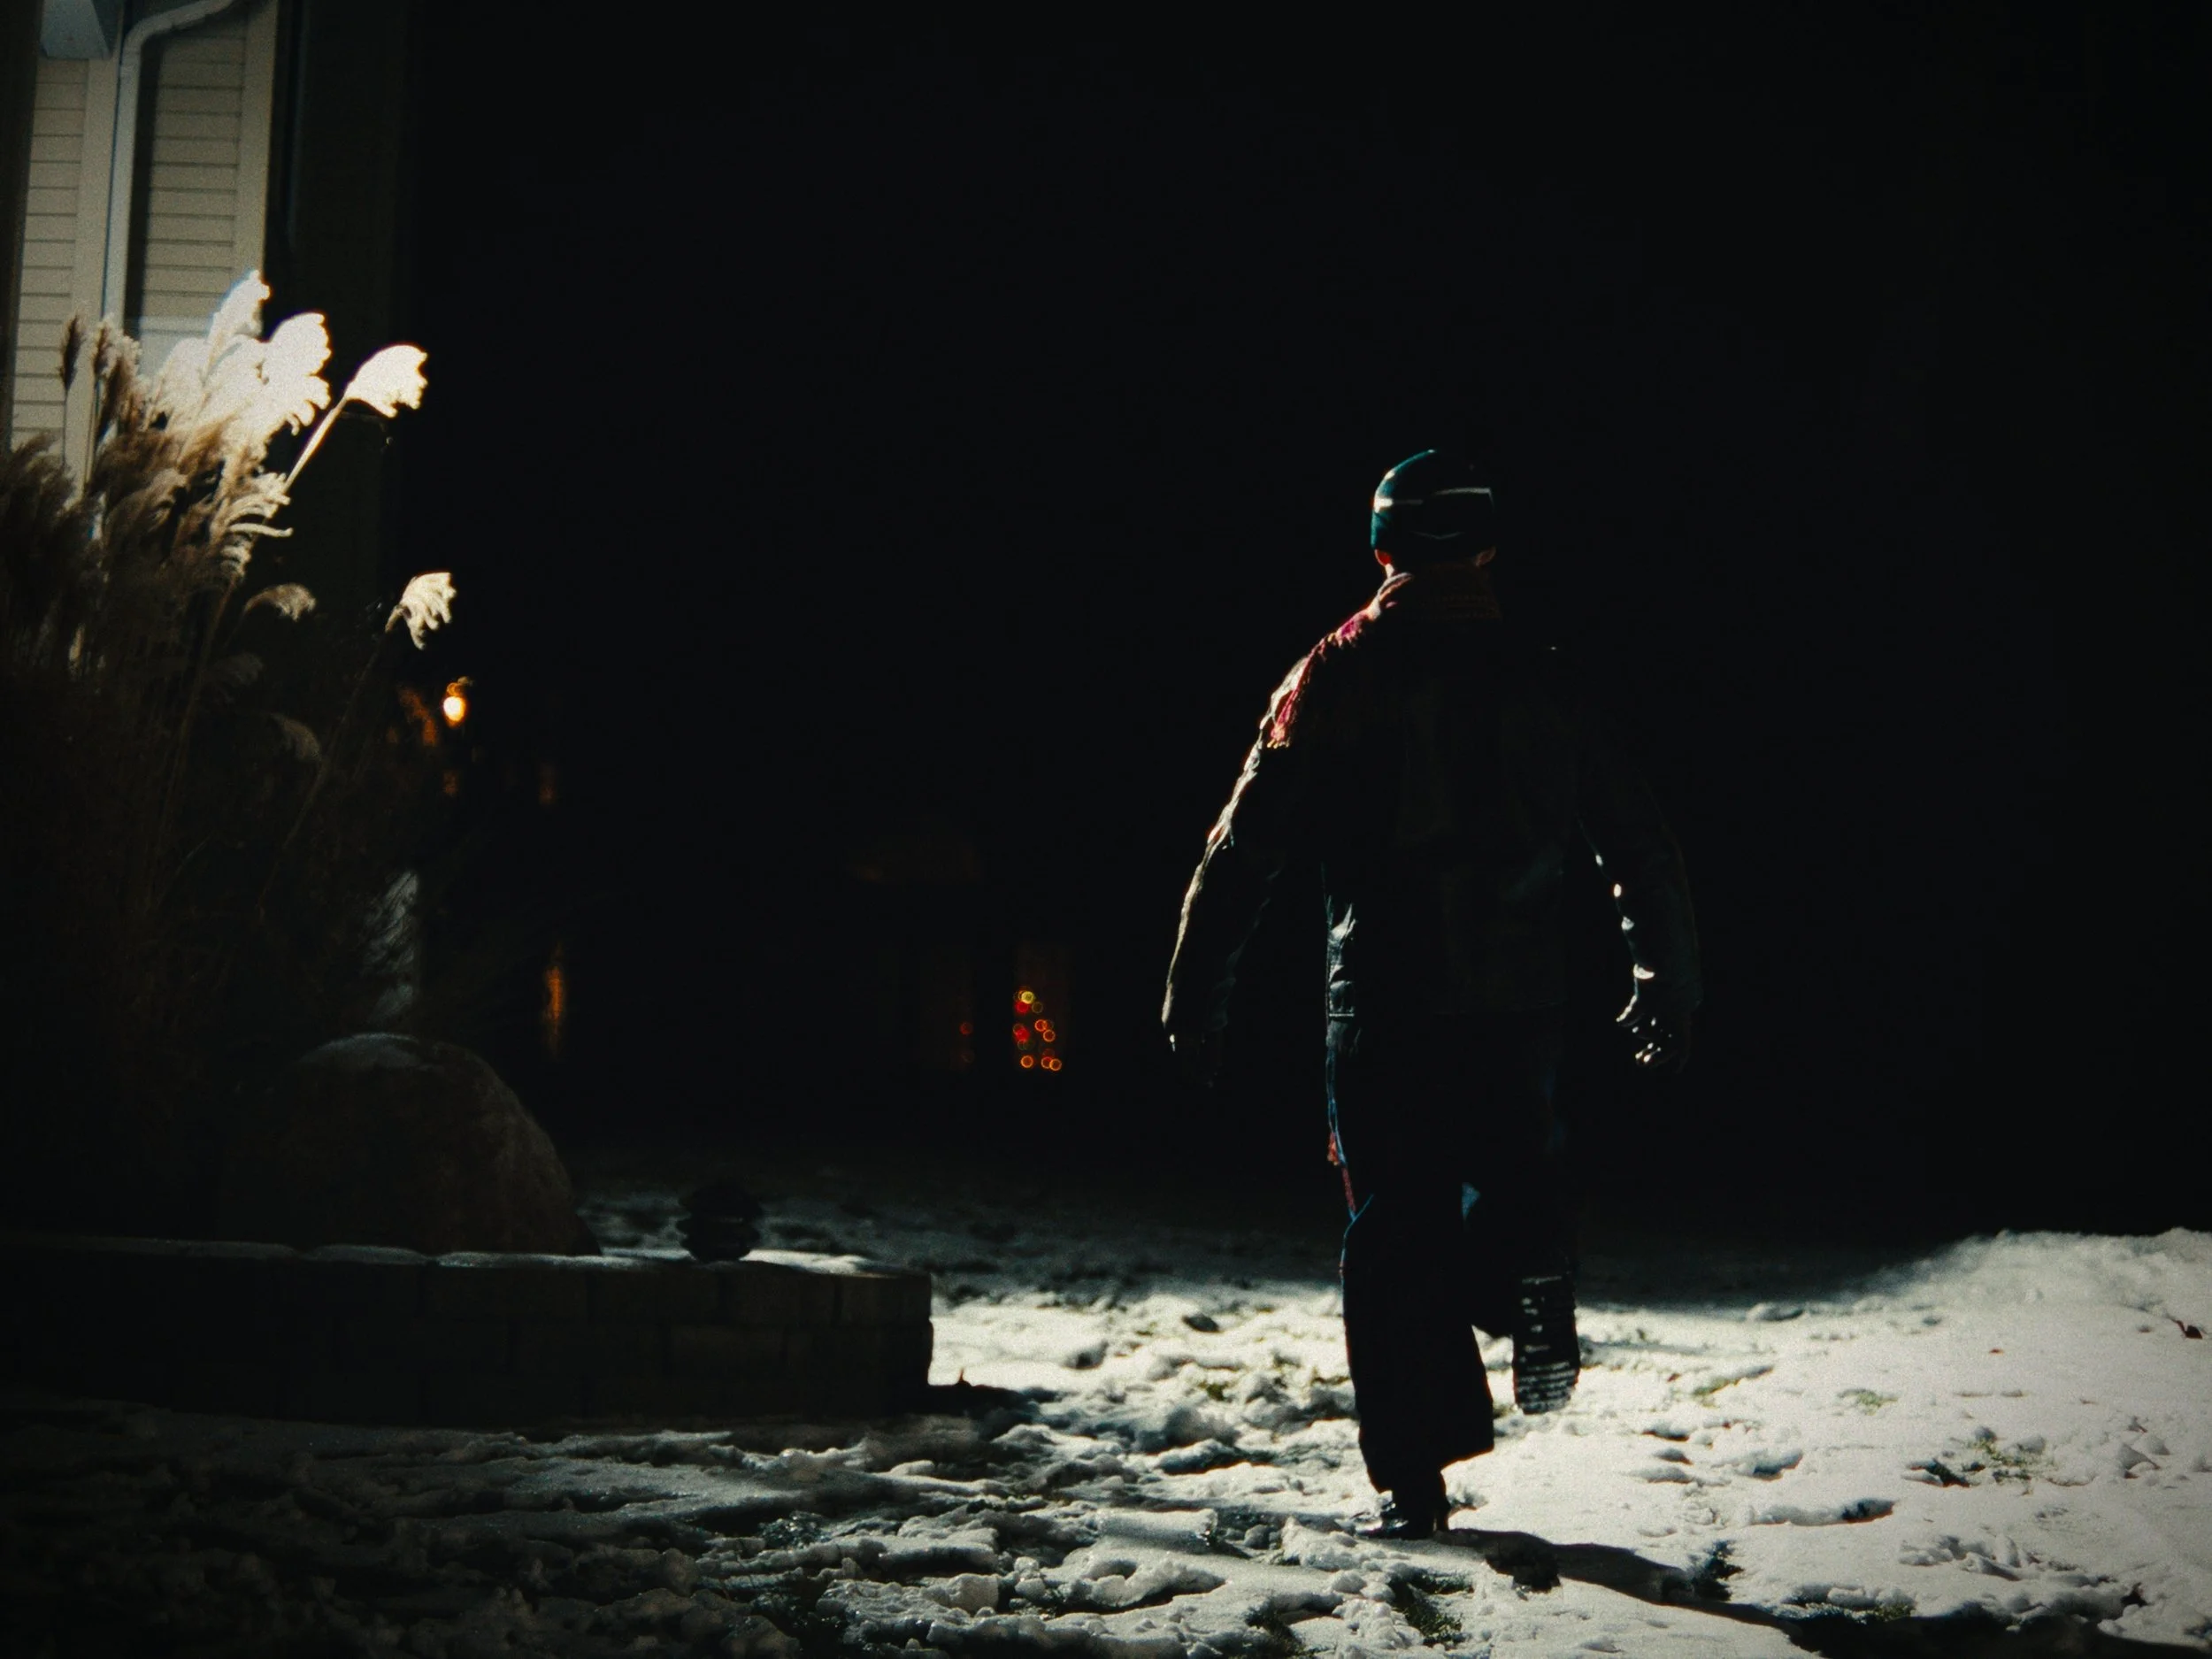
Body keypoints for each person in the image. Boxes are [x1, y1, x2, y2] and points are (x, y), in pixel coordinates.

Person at [1160, 450, 1701, 1540]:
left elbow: (1243, 847)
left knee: (1392, 1229)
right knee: (1509, 1179)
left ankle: (1416, 1484)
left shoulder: (1337, 672)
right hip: (1520, 1003)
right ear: (1491, 550)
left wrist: (1194, 990)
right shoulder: (1549, 677)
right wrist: (1664, 978)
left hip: (1383, 1004)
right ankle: (1532, 1269)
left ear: (1381, 549)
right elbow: (1640, 843)